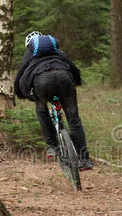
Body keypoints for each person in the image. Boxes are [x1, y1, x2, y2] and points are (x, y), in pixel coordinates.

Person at [14, 31, 93, 170]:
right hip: (64, 77)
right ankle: (85, 160)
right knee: (73, 118)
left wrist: (22, 94)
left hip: (42, 81)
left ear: (31, 46)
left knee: (42, 111)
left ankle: (53, 147)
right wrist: (77, 82)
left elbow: (21, 73)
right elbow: (72, 66)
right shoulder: (58, 52)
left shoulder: (29, 53)